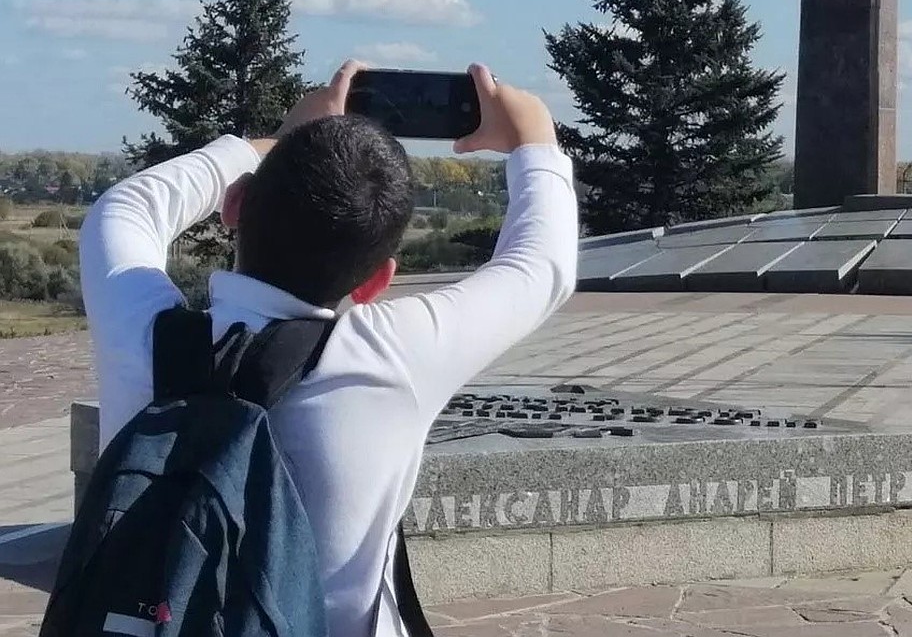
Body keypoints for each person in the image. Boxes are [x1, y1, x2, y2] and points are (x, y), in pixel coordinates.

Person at [79, 61, 577, 637]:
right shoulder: (390, 357)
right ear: (375, 282)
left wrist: (271, 144)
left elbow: (125, 208)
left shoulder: (141, 328)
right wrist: (535, 140)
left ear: (235, 205)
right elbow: (541, 267)